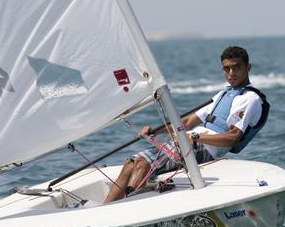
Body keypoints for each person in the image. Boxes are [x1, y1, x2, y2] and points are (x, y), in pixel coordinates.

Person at [103, 46, 267, 203]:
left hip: (206, 149)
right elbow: (188, 121)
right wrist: (155, 131)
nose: (231, 73)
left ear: (248, 67)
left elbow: (232, 138)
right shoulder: (225, 93)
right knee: (130, 163)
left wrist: (195, 137)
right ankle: (105, 209)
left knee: (142, 163)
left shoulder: (250, 99)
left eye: (236, 67)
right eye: (226, 69)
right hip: (191, 142)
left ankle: (129, 206)